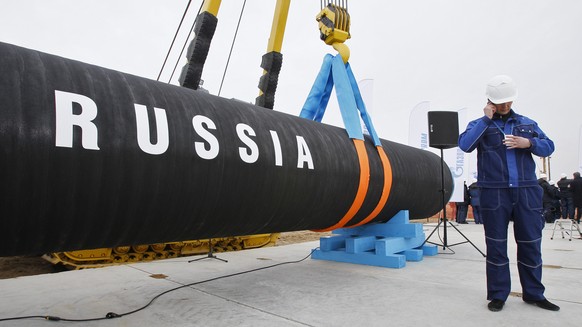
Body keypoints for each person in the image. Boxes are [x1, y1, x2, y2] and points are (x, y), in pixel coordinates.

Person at [458, 75, 559, 312]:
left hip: (526, 191)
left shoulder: (528, 124)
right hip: (494, 193)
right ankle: (498, 295)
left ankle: (534, 293)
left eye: (508, 102)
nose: (505, 106)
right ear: (490, 100)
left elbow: (549, 145)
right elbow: (465, 145)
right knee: (496, 245)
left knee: (531, 244)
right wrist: (486, 119)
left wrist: (529, 144)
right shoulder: (479, 124)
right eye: (500, 102)